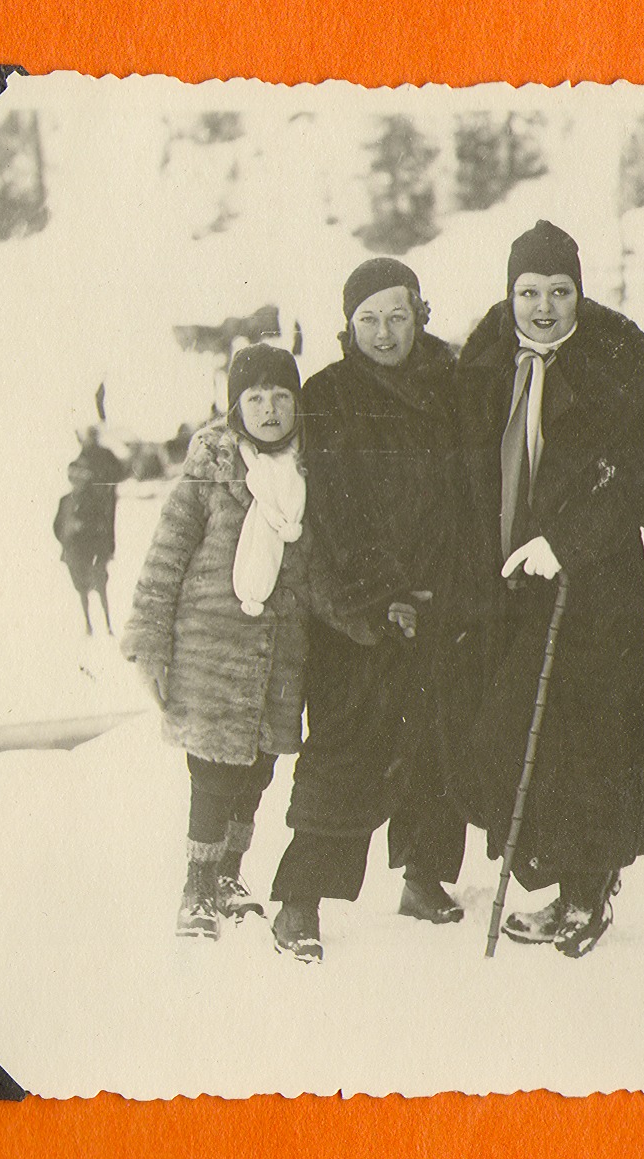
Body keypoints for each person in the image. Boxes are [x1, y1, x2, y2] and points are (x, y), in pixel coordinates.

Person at [456, 220, 644, 959]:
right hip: (507, 582)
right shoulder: (484, 364)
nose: (543, 307)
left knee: (589, 741)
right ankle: (557, 878)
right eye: (528, 292)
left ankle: (587, 893)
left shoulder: (618, 364)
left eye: (558, 292)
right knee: (511, 735)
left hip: (593, 588)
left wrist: (567, 542)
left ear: (579, 294)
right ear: (508, 293)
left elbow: (643, 482)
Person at [267, 259, 477, 963]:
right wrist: (384, 596)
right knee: (346, 746)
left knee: (435, 742)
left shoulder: (453, 384)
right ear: (347, 326)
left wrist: (440, 590)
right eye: (368, 320)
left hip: (441, 596)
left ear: (419, 312)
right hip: (360, 607)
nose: (384, 333)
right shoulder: (328, 395)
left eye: (396, 315)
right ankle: (299, 901)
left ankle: (423, 878)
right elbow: (333, 508)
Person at [121, 344, 309, 940]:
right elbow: (166, 556)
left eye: (281, 396)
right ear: (236, 407)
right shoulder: (211, 470)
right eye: (255, 397)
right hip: (210, 654)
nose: (270, 409)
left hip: (278, 657)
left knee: (256, 774)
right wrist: (150, 641)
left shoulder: (309, 472)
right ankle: (196, 889)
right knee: (211, 776)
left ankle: (229, 875)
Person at [53, 426, 127, 635]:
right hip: (75, 552)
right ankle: (89, 625)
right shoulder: (65, 501)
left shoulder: (92, 500)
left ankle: (107, 624)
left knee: (100, 587)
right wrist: (66, 540)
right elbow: (57, 526)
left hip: (93, 550)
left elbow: (100, 524)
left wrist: (98, 543)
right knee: (81, 589)